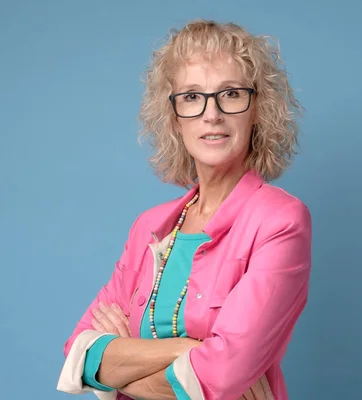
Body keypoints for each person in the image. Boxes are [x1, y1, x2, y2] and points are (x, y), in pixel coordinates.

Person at [57, 19, 312, 400]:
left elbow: (223, 375)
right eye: (192, 97)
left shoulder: (280, 222)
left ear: (257, 108)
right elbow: (78, 354)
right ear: (174, 118)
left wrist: (119, 367)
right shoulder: (149, 228)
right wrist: (187, 350)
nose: (212, 114)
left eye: (230, 94)